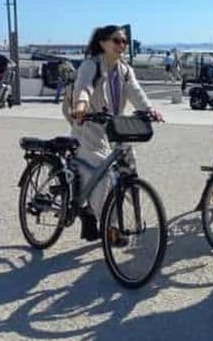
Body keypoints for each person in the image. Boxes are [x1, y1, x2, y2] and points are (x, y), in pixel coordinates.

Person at [70, 25, 163, 242]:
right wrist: (81, 105)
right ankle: (109, 227)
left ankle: (127, 220)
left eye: (124, 41)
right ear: (103, 43)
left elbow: (136, 92)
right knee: (101, 175)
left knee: (128, 172)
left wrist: (150, 110)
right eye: (116, 40)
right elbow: (83, 87)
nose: (122, 45)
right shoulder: (90, 65)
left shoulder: (125, 70)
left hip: (115, 127)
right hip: (90, 127)